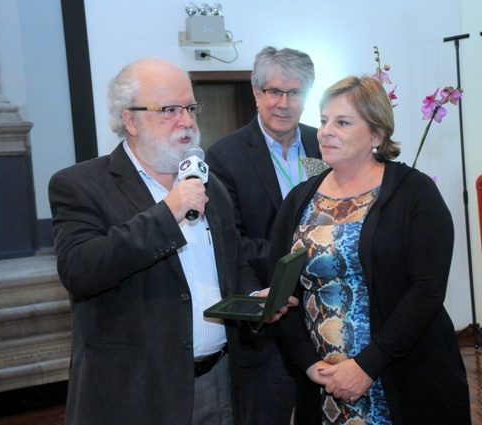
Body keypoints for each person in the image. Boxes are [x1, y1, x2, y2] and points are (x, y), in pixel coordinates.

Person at [48, 57, 297, 425]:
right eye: (169, 110)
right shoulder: (81, 185)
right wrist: (167, 213)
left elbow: (234, 265)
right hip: (136, 394)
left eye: (190, 108)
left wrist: (254, 303)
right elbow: (81, 271)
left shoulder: (207, 184)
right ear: (130, 119)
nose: (187, 122)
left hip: (221, 380)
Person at [268, 75, 472, 424]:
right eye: (323, 121)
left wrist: (367, 365)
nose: (325, 131)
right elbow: (282, 291)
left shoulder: (414, 193)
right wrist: (309, 363)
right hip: (323, 384)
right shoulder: (299, 200)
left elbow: (427, 291)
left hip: (405, 375)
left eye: (342, 122)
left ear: (376, 135)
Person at [205, 46, 321, 425]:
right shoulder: (225, 156)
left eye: (295, 92)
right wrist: (296, 260)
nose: (284, 104)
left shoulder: (324, 144)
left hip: (327, 313)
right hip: (268, 316)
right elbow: (231, 240)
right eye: (274, 91)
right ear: (256, 93)